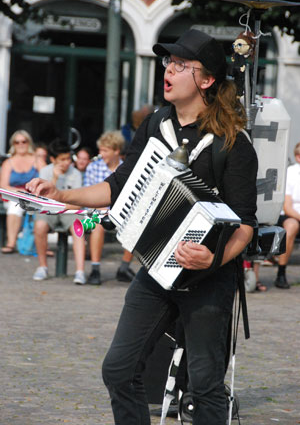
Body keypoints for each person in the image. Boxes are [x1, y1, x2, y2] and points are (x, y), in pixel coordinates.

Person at [26, 29, 258, 425]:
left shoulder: (233, 143)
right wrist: (63, 195)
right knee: (119, 369)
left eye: (181, 65)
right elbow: (119, 186)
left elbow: (245, 224)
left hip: (209, 277)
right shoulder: (155, 125)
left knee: (204, 387)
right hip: (156, 268)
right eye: (168, 62)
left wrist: (213, 257)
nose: (168, 70)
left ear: (206, 80)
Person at [84, 131, 136, 285]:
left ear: (116, 151)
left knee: (136, 226)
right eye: (100, 150)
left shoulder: (127, 169)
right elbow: (89, 194)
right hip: (96, 210)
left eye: (105, 150)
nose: (101, 154)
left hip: (120, 211)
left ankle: (124, 268)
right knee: (98, 227)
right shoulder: (93, 167)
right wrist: (103, 209)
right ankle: (95, 269)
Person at [33, 138, 86, 285]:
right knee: (39, 226)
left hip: (68, 210)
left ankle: (80, 271)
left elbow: (78, 204)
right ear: (53, 159)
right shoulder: (45, 172)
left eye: (68, 158)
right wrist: (55, 179)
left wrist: (62, 207)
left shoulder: (75, 174)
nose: (66, 162)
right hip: (49, 211)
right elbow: (44, 201)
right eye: (62, 159)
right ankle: (42, 266)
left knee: (78, 227)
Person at [0, 130, 46, 254]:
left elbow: (46, 179)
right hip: (14, 196)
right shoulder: (8, 163)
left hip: (35, 195)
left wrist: (34, 191)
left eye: (23, 141)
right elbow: (3, 186)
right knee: (14, 207)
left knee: (42, 210)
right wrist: (19, 191)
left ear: (28, 143)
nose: (20, 144)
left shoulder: (38, 161)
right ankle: (11, 243)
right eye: (17, 142)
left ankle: (41, 246)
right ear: (13, 144)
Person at [275, 142, 300, 289]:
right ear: (298, 157)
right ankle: (281, 273)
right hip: (292, 216)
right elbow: (287, 207)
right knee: (291, 226)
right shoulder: (290, 173)